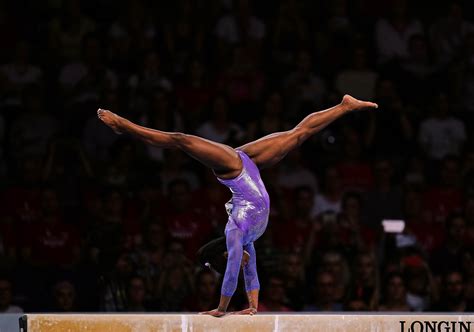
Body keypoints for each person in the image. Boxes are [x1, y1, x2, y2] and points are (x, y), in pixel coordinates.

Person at [97, 94, 377, 316]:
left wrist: (226, 307)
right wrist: (248, 306)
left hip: (238, 169)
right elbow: (247, 271)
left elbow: (237, 268)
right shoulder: (246, 239)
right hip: (239, 167)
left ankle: (125, 126)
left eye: (233, 255)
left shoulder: (238, 233)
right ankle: (343, 106)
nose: (240, 259)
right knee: (295, 134)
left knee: (184, 140)